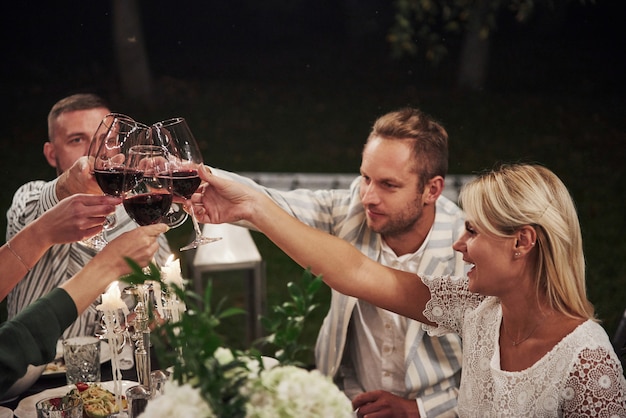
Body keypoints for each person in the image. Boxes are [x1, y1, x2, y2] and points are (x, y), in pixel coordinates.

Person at [191, 163, 626, 416]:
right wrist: (251, 206)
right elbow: (356, 272)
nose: (459, 244)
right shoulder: (479, 309)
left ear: (522, 241)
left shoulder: (588, 366)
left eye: (472, 231)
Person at [210, 108, 465, 417]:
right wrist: (184, 173)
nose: (368, 197)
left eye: (388, 185)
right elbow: (265, 200)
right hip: (346, 403)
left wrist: (419, 410)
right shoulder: (350, 210)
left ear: (432, 190)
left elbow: (494, 371)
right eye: (365, 178)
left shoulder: (467, 249)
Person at [5, 93, 171, 339]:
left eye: (107, 140)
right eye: (76, 140)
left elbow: (167, 285)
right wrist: (68, 186)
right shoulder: (30, 195)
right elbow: (38, 205)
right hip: (36, 372)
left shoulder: (134, 208)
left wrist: (149, 315)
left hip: (115, 371)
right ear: (52, 154)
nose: (95, 152)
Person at [0, 222, 168, 396]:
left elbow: (164, 295)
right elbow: (8, 356)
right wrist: (107, 266)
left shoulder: (139, 219)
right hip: (37, 384)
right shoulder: (34, 202)